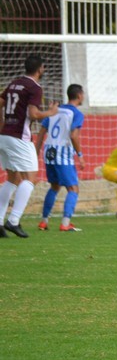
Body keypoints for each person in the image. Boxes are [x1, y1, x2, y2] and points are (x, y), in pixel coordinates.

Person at [0, 54, 59, 238]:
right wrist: (50, 112)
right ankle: (13, 220)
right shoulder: (34, 87)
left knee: (12, 178)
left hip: (4, 136)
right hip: (19, 137)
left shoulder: (14, 83)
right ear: (40, 69)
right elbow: (33, 114)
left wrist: (2, 125)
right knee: (30, 178)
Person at [37, 83, 86, 232]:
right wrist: (80, 155)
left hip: (49, 151)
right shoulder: (76, 114)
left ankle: (44, 221)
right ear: (79, 96)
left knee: (54, 186)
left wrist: (36, 150)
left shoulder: (55, 110)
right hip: (62, 153)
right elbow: (74, 135)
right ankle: (65, 223)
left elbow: (42, 131)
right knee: (73, 189)